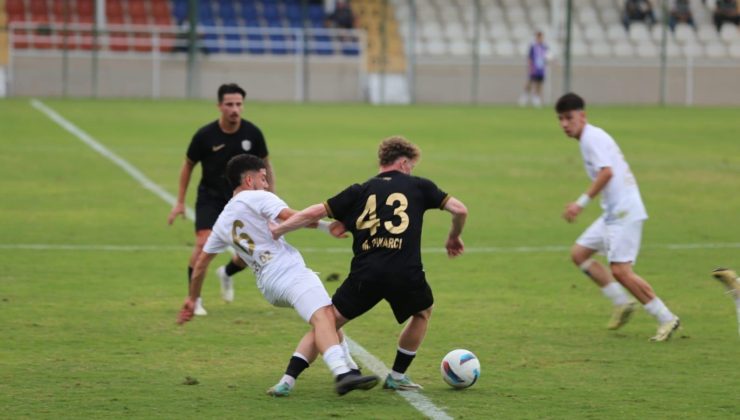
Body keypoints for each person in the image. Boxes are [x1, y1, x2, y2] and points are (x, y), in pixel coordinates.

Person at [270, 135, 468, 391]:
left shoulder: (359, 191)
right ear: (405, 163)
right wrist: (454, 236)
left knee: (327, 323)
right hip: (404, 272)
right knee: (422, 312)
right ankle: (397, 376)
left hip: (366, 274)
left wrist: (279, 230)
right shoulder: (419, 186)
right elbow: (460, 210)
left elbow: (313, 213)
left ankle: (287, 380)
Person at [177, 154, 379, 396]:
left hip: (268, 285)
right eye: (263, 178)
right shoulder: (258, 197)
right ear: (249, 181)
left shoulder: (222, 222)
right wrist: (328, 227)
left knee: (328, 315)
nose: (266, 184)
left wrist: (192, 298)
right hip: (287, 272)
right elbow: (292, 217)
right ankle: (342, 373)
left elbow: (200, 266)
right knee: (325, 317)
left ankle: (342, 371)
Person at [554, 93, 680, 342]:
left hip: (624, 212)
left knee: (621, 271)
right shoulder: (589, 138)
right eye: (560, 119)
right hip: (613, 212)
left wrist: (580, 204)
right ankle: (621, 302)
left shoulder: (591, 138)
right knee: (579, 253)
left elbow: (606, 173)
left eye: (569, 118)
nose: (565, 124)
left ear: (583, 116)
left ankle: (666, 318)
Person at [167, 83, 275, 316]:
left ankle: (226, 273)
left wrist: (270, 198)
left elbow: (266, 165)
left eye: (238, 104)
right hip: (211, 198)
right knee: (202, 244)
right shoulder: (205, 136)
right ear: (219, 106)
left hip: (244, 200)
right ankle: (194, 299)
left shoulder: (253, 133)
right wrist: (179, 201)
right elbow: (188, 165)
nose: (234, 109)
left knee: (249, 254)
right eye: (229, 104)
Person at [518, 31, 548, 108]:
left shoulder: (544, 47)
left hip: (541, 69)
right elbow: (530, 58)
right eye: (539, 37)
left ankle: (536, 98)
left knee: (539, 84)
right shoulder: (533, 47)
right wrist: (530, 67)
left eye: (541, 37)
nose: (540, 39)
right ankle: (524, 97)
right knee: (530, 83)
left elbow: (547, 57)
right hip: (534, 68)